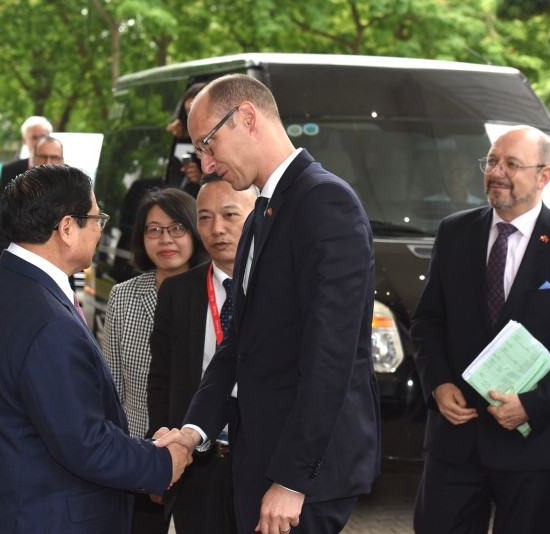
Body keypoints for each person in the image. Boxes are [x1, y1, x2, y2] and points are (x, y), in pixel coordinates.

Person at [155, 74, 381, 534]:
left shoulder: (325, 202)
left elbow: (331, 357)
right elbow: (240, 345)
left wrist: (293, 480)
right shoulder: (263, 212)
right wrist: (192, 431)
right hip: (258, 457)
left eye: (208, 144)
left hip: (301, 474)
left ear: (246, 117)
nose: (207, 162)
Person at [0, 164, 192, 533]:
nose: (101, 230)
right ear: (67, 228)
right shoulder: (48, 320)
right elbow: (85, 442)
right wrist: (164, 462)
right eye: (97, 218)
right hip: (45, 517)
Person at [410, 126, 550, 534]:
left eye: (511, 165)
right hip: (455, 445)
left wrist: (532, 406)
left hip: (536, 451)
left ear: (543, 176)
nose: (496, 172)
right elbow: (428, 322)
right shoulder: (454, 232)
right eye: (492, 161)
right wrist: (439, 384)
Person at [148, 174, 256, 534]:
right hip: (197, 464)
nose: (217, 229)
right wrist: (162, 457)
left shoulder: (278, 289)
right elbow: (161, 380)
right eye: (205, 218)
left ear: (257, 216)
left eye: (230, 215)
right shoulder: (178, 292)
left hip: (259, 463)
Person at [102, 187, 207, 533]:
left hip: (203, 452)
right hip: (139, 451)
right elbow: (111, 385)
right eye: (154, 229)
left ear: (195, 231)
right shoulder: (124, 295)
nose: (166, 239)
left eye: (177, 228)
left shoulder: (217, 294)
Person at [0, 116, 55, 263]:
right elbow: (1, 214)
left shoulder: (65, 175)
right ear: (25, 140)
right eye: (34, 137)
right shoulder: (10, 170)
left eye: (43, 137)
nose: (39, 141)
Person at [166, 82, 206, 196]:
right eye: (188, 111)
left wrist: (202, 180)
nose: (191, 117)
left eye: (195, 109)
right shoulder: (194, 138)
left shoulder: (226, 141)